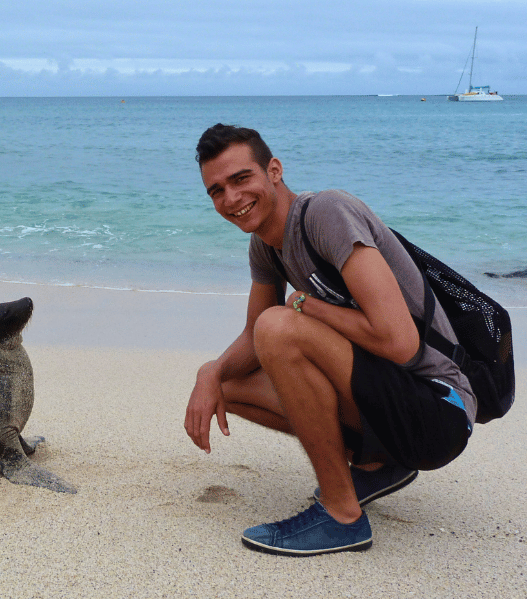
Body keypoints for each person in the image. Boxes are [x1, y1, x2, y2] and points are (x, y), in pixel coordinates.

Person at [185, 124, 475, 556]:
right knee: (225, 386)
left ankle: (343, 516)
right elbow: (250, 337)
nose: (230, 199)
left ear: (275, 171)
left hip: (438, 407)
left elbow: (401, 343)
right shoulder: (266, 246)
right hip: (391, 406)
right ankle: (378, 466)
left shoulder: (325, 213)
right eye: (216, 190)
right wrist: (209, 372)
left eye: (241, 179)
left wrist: (307, 307)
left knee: (279, 327)